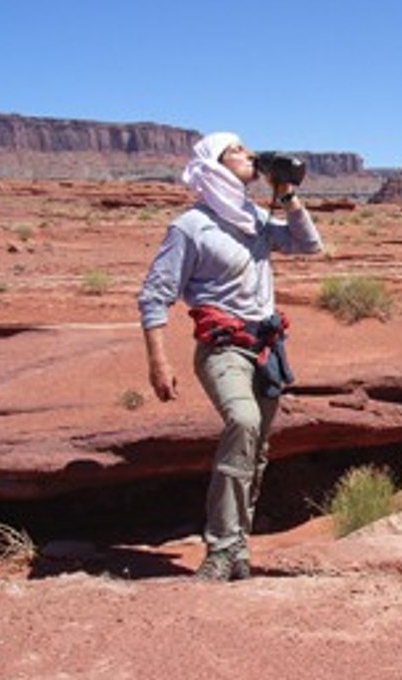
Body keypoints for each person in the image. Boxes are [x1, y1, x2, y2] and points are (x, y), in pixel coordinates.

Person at [138, 131, 323, 581]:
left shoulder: (254, 217)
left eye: (246, 148)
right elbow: (154, 296)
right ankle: (221, 549)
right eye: (235, 150)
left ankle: (238, 550)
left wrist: (288, 195)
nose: (248, 154)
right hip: (223, 349)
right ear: (213, 166)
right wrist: (158, 362)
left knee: (256, 451)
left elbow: (308, 245)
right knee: (242, 422)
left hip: (266, 349)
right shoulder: (190, 226)